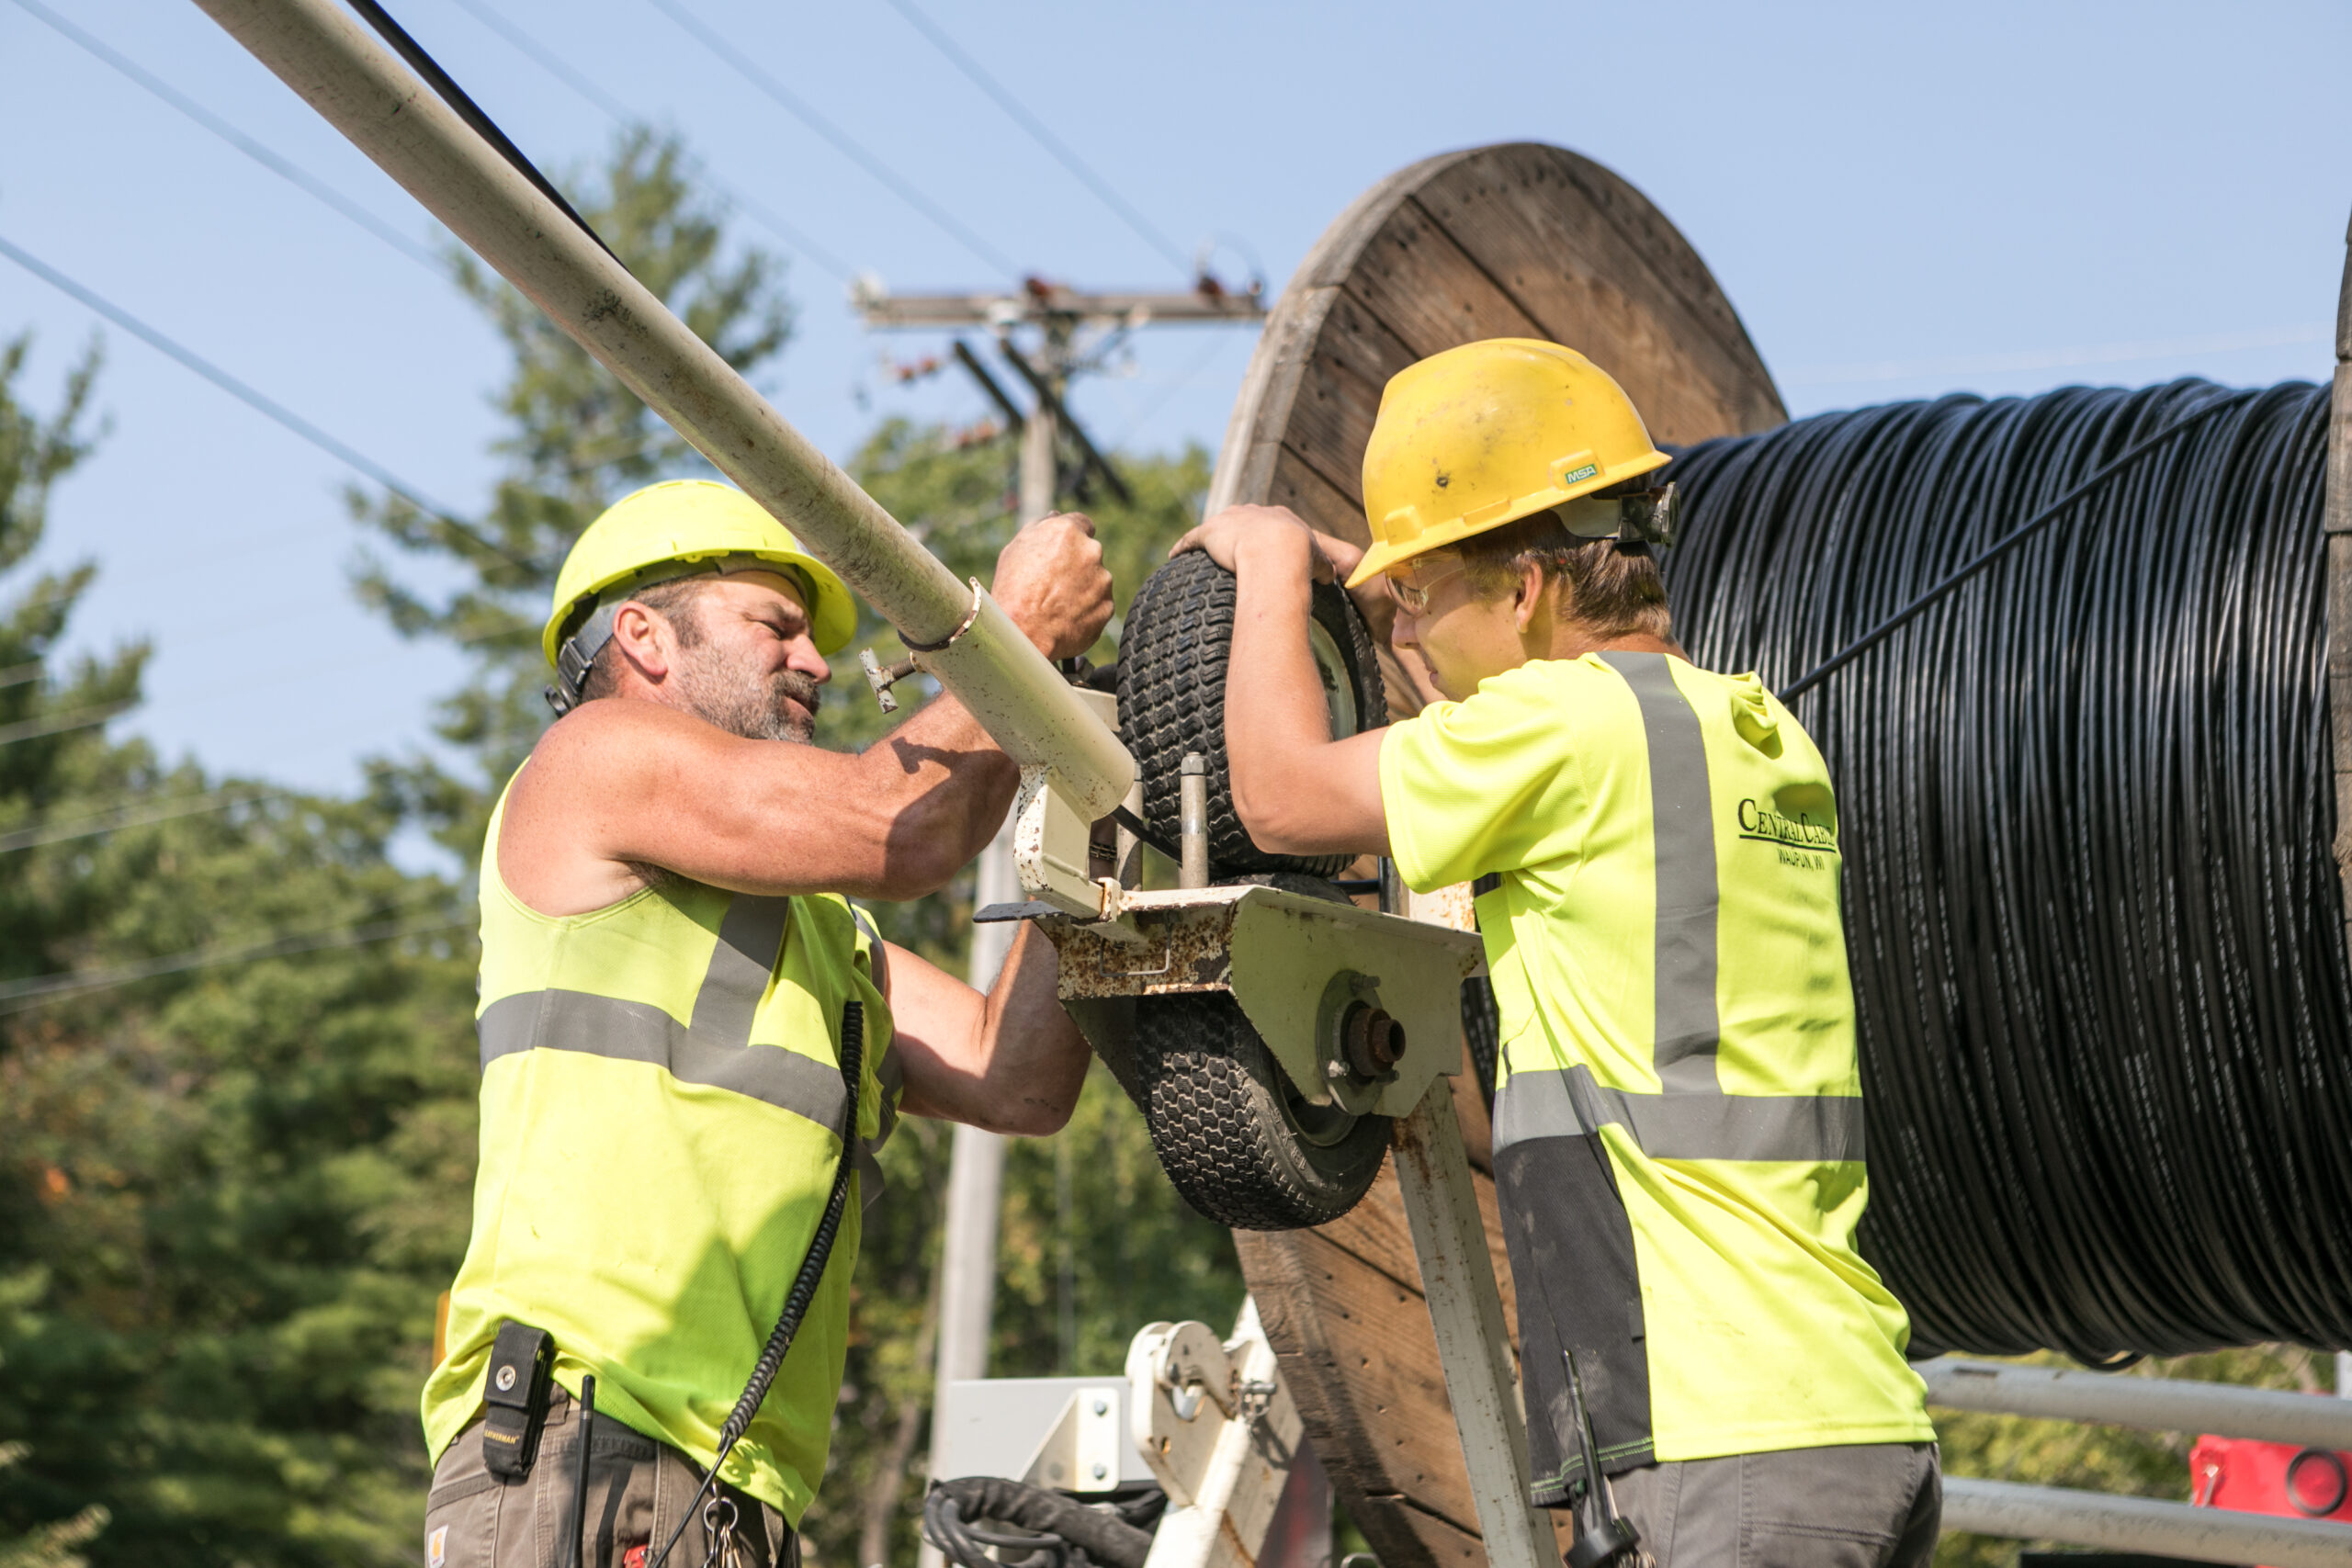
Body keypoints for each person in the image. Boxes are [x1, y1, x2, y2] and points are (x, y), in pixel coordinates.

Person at [1173, 340, 1939, 1568]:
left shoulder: (1558, 727)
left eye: (1420, 594)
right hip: (1853, 1420)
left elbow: (1277, 796)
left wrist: (1267, 556)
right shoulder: (1752, 734)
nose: (1404, 623)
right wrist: (1410, 591)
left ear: (1526, 585)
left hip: (1714, 1446)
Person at [419, 479, 1113, 1568]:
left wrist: (1093, 792)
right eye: (775, 626)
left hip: (728, 1485)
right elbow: (902, 826)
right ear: (643, 636)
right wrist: (1014, 640)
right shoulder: (594, 760)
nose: (818, 661)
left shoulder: (820, 934)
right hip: (596, 1448)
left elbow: (1010, 1075)